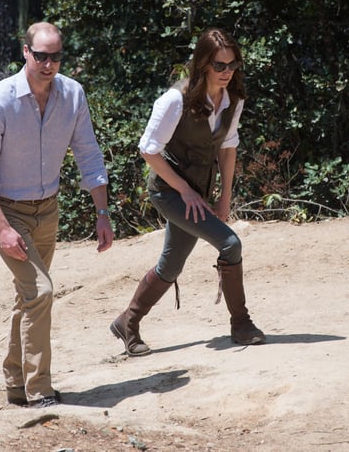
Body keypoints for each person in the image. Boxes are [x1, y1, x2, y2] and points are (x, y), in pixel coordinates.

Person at [0, 22, 114, 407]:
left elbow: (88, 153)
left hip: (47, 210)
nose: (49, 64)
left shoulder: (72, 95)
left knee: (29, 297)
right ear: (26, 52)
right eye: (41, 56)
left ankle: (16, 384)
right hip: (6, 211)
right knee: (42, 292)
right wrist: (1, 227)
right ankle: (39, 391)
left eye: (55, 56)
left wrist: (102, 212)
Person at [110, 27, 265, 356]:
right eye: (219, 66)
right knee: (230, 243)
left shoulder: (232, 100)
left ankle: (128, 322)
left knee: (171, 264)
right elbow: (148, 150)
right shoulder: (175, 100)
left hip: (199, 192)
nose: (226, 73)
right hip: (169, 191)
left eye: (232, 65)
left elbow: (228, 147)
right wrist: (185, 190)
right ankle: (241, 323)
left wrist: (224, 197)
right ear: (203, 64)